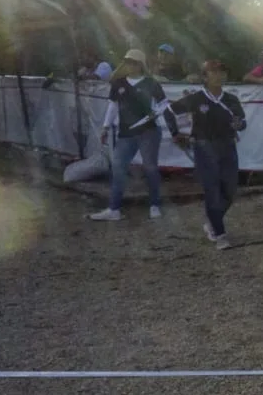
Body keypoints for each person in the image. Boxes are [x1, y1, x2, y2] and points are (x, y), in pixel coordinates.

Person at [89, 49, 180, 221]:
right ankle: (114, 209)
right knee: (118, 167)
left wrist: (174, 130)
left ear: (141, 65)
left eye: (133, 62)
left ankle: (155, 205)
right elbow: (112, 106)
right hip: (126, 132)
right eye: (127, 62)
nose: (130, 65)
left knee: (150, 167)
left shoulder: (151, 83)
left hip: (149, 131)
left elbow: (165, 106)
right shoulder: (118, 84)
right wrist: (106, 127)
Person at [171, 60, 246, 250]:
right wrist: (176, 133)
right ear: (205, 77)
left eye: (222, 72)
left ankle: (212, 221)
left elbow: (242, 121)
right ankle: (220, 234)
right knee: (212, 190)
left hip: (227, 146)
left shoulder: (231, 99)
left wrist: (239, 125)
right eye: (214, 72)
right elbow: (169, 111)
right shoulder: (196, 98)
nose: (219, 76)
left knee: (230, 190)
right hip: (204, 147)